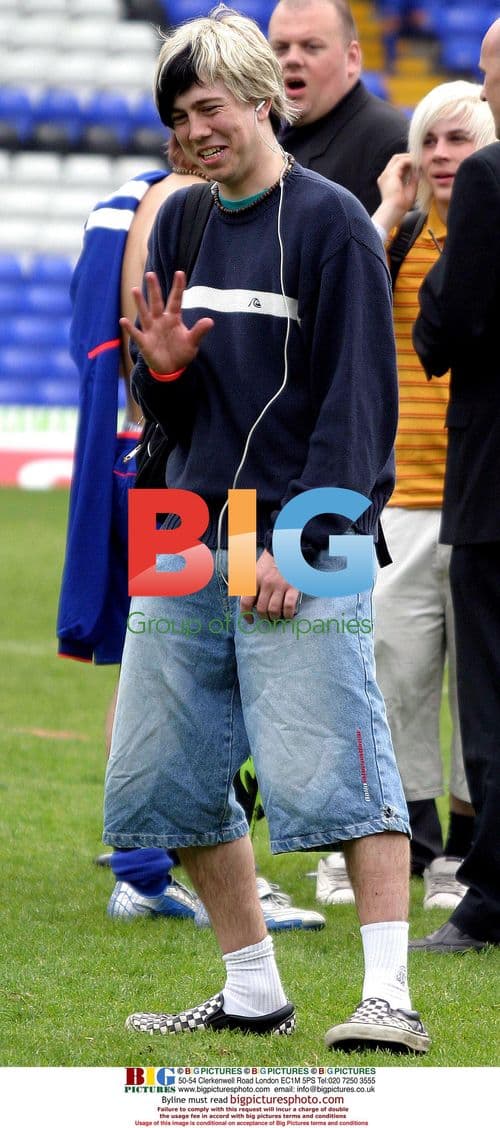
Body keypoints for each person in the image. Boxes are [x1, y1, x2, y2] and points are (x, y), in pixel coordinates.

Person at [103, 6, 430, 1052]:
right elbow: (187, 417)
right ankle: (250, 990)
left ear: (257, 97)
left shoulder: (331, 220)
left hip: (295, 517)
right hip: (183, 516)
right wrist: (163, 371)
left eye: (207, 108)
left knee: (337, 762)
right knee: (168, 773)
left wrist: (299, 536)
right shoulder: (184, 220)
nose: (193, 130)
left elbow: (355, 404)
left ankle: (389, 997)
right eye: (176, 116)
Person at [59, 136, 325, 933]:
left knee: (158, 672)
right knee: (218, 675)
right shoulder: (181, 204)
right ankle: (171, 870)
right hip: (201, 479)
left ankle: (146, 868)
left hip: (148, 471)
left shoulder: (135, 197)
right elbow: (161, 339)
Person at [369, 82, 494, 910]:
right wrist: (385, 214)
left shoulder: (494, 230)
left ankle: (470, 843)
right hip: (406, 497)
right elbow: (335, 310)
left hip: (480, 494)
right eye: (430, 140)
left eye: (459, 139)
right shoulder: (403, 238)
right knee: (399, 673)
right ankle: (412, 835)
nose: (443, 154)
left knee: (481, 687)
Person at [411, 18, 500, 951]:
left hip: (489, 485)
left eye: (488, 77)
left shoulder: (490, 177)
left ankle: (494, 897)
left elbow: (446, 327)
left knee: (493, 699)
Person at [268, 0, 409, 215]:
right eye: (281, 48)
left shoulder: (390, 142)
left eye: (311, 47)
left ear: (352, 58)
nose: (292, 59)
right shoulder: (268, 133)